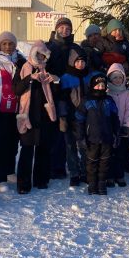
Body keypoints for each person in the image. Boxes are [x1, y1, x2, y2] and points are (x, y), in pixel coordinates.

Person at [13, 40, 58, 194]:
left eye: (42, 55)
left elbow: (56, 93)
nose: (40, 57)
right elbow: (17, 90)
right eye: (37, 54)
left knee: (43, 148)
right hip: (28, 114)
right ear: (32, 54)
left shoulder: (48, 69)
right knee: (27, 149)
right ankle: (23, 183)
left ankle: (41, 179)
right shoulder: (24, 68)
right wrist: (30, 78)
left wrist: (55, 80)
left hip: (45, 114)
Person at [0, 31, 26, 191]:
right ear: (0, 45)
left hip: (17, 108)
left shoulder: (20, 60)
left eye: (11, 44)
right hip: (1, 108)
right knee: (3, 142)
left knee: (14, 141)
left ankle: (9, 171)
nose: (8, 47)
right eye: (5, 44)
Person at [47, 17, 84, 179]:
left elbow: (83, 64)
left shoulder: (75, 47)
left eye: (68, 28)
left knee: (68, 130)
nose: (64, 31)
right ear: (56, 29)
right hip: (52, 92)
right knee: (55, 131)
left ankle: (73, 165)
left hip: (71, 92)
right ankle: (56, 166)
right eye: (61, 28)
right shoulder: (49, 47)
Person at [75, 73, 120, 195]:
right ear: (92, 86)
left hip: (107, 137)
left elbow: (115, 118)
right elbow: (79, 119)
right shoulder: (86, 101)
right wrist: (81, 137)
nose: (100, 87)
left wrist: (117, 134)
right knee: (91, 162)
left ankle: (101, 183)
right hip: (92, 139)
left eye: (102, 85)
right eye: (98, 85)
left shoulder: (109, 100)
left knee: (104, 162)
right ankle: (92, 184)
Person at [57, 48, 90, 187]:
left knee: (84, 146)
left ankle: (84, 172)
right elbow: (62, 99)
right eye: (78, 61)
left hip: (85, 117)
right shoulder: (66, 77)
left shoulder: (90, 75)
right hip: (70, 117)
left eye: (83, 61)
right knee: (71, 146)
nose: (81, 64)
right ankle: (74, 173)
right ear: (72, 62)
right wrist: (63, 117)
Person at [107, 63, 129, 187]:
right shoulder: (107, 93)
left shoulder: (126, 93)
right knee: (110, 152)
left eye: (120, 78)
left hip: (122, 128)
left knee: (121, 153)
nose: (117, 80)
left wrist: (126, 125)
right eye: (115, 78)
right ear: (110, 79)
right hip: (110, 128)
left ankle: (120, 175)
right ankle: (110, 176)